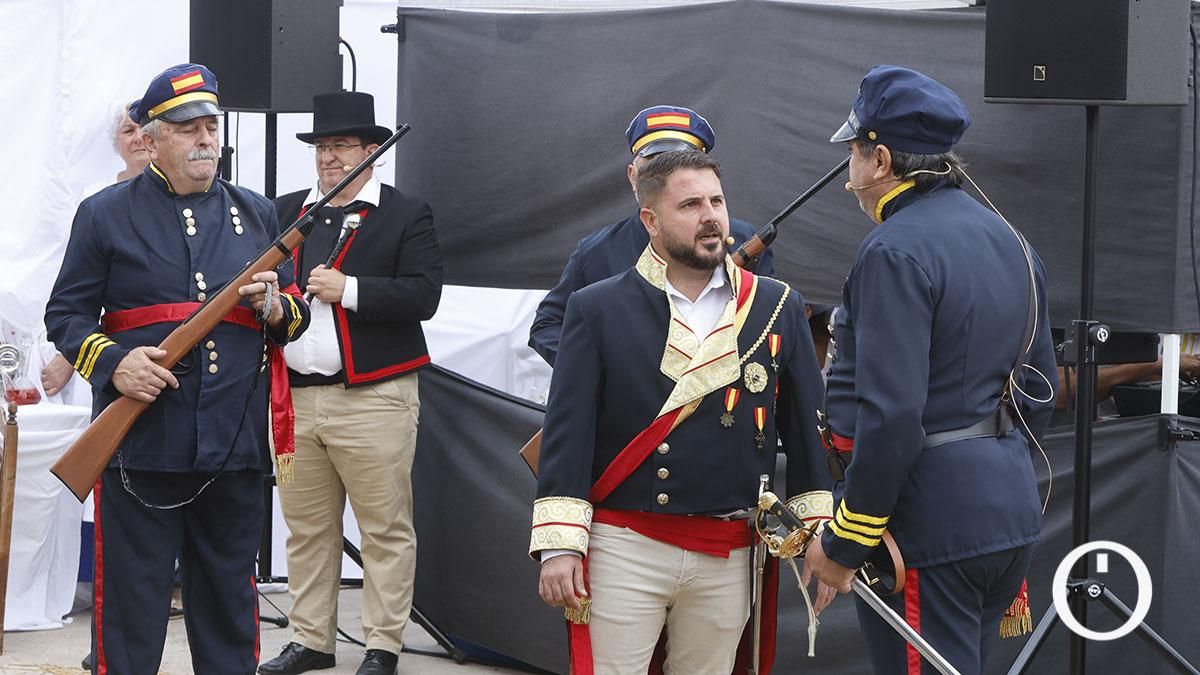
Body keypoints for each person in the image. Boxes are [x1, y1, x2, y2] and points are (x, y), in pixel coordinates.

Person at [44, 63, 310, 675]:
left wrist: (274, 306)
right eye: (187, 127)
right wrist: (114, 363)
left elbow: (293, 321)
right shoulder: (104, 213)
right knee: (131, 619)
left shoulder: (258, 213)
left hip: (232, 448)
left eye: (211, 126)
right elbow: (67, 315)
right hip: (141, 445)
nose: (204, 139)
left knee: (228, 613)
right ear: (152, 136)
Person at [532, 150, 832, 673]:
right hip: (625, 544)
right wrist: (560, 545)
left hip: (730, 547)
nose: (711, 215)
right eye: (690, 204)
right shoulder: (597, 307)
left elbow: (806, 434)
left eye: (716, 200)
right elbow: (568, 434)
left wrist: (816, 534)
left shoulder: (775, 305)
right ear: (651, 220)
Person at [800, 66, 1058, 674]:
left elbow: (891, 418)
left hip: (923, 526)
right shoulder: (1013, 242)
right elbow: (1040, 396)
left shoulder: (894, 250)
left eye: (854, 158)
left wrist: (846, 541)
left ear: (882, 159)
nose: (850, 180)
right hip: (1006, 510)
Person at [258, 91, 443, 675]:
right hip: (295, 401)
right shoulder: (284, 210)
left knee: (384, 527)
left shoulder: (406, 213)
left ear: (373, 151)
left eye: (341, 146)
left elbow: (424, 294)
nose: (329, 158)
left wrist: (351, 289)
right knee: (307, 529)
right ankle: (311, 639)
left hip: (374, 399)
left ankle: (382, 644)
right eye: (322, 146)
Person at [528, 105, 774, 367]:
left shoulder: (744, 239)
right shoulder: (596, 252)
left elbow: (769, 326)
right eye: (656, 166)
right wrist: (601, 367)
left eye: (679, 165)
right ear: (633, 176)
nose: (668, 179)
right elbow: (547, 326)